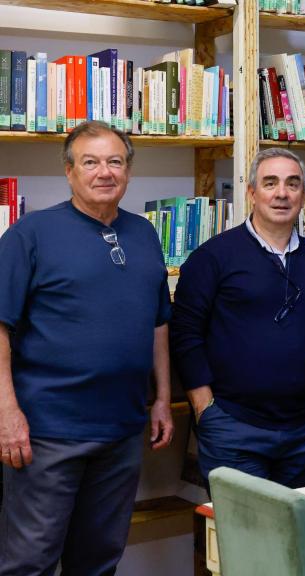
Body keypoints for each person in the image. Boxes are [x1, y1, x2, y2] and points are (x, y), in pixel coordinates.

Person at [0, 121, 174, 575]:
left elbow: (158, 324)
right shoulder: (29, 234)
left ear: (129, 172)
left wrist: (160, 399)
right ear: (69, 171)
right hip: (47, 434)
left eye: (115, 161)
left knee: (97, 562)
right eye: (91, 162)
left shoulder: (144, 234)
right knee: (29, 562)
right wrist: (6, 413)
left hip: (121, 432)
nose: (104, 172)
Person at [170, 148, 305, 488]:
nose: (281, 193)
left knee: (296, 535)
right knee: (245, 537)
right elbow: (186, 333)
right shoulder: (213, 256)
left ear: (303, 195)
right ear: (251, 193)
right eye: (270, 183)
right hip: (234, 428)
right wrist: (206, 409)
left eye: (293, 184)